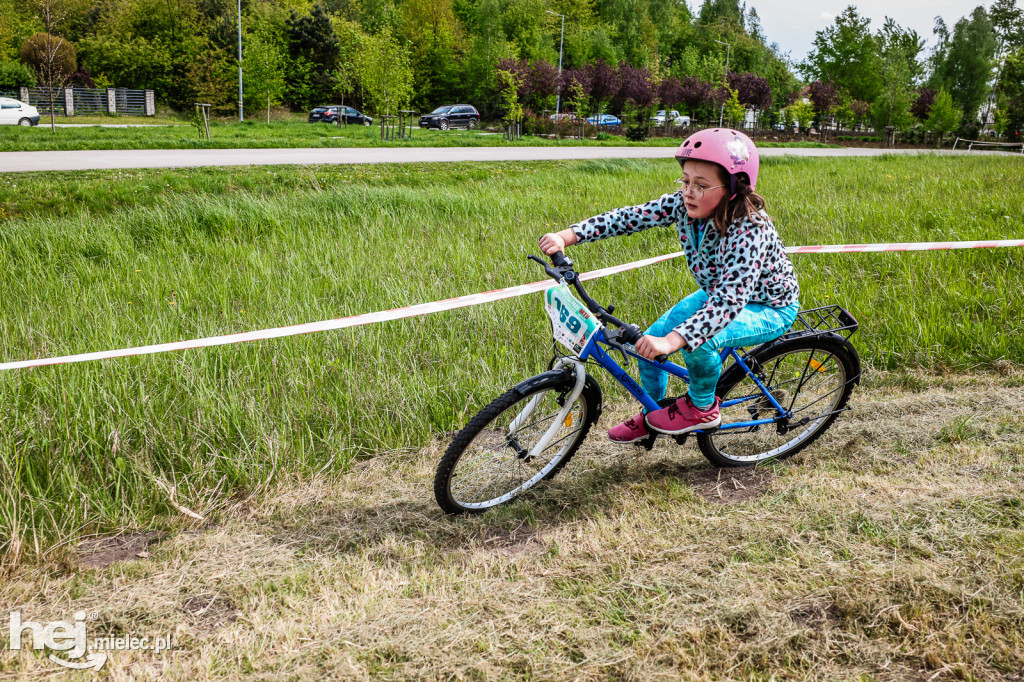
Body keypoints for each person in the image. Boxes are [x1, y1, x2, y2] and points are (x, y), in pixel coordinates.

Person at [538, 128, 800, 442]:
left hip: (768, 307)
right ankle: (654, 412)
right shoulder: (683, 206)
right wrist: (568, 236)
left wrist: (676, 340)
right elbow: (631, 217)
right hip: (716, 294)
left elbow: (730, 300)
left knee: (698, 341)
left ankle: (703, 409)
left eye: (701, 185)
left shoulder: (750, 228)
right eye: (685, 181)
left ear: (733, 187)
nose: (688, 192)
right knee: (648, 343)